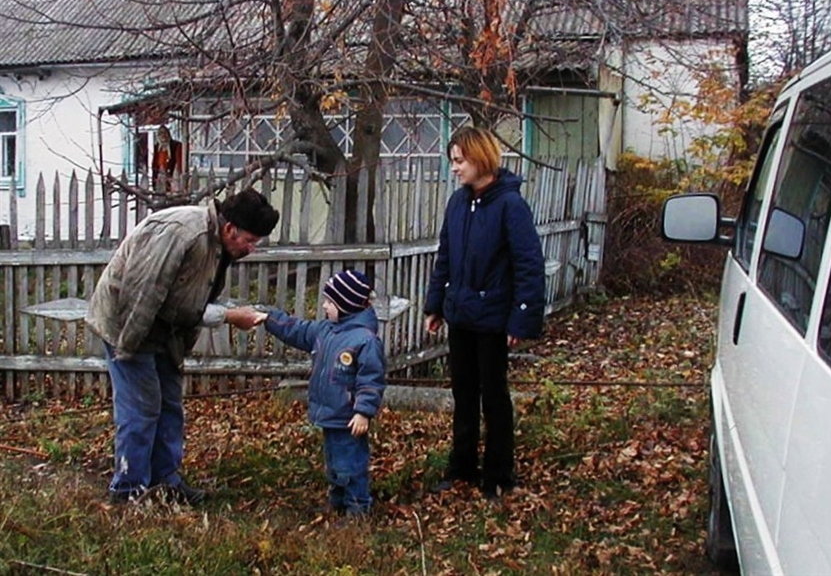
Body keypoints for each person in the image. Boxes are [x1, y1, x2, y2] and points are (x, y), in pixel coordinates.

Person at [86, 187, 279, 505]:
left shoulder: (216, 244)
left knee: (169, 405)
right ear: (230, 228)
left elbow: (186, 301)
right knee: (142, 409)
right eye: (249, 241)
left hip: (164, 329)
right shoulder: (181, 234)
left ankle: (165, 481)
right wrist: (129, 347)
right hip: (130, 323)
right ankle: (129, 490)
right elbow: (143, 292)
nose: (251, 249)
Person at [424, 126, 545, 499]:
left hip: (493, 320)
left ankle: (498, 476)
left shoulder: (511, 206)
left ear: (479, 158)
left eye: (460, 161)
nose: (456, 169)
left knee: (494, 397)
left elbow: (529, 265)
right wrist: (435, 305)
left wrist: (520, 318)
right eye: (453, 162)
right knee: (464, 395)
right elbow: (445, 257)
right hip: (460, 316)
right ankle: (461, 468)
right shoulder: (457, 204)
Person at [229, 269, 386, 517]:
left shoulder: (364, 341)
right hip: (330, 415)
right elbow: (297, 330)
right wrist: (269, 319)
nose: (324, 306)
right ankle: (338, 502)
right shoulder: (325, 330)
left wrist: (363, 412)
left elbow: (371, 381)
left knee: (351, 466)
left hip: (349, 418)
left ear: (346, 305)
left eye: (329, 302)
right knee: (335, 465)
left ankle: (358, 509)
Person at [152, 125, 183, 191]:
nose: (163, 135)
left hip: (172, 179)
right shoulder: (156, 148)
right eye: (160, 133)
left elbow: (178, 163)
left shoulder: (175, 146)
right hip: (160, 179)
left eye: (165, 133)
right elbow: (155, 165)